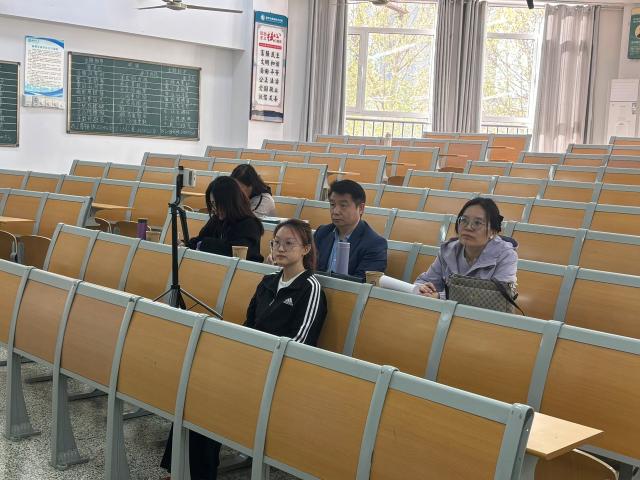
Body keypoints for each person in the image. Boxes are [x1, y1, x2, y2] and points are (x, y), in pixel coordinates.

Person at [163, 219, 326, 480]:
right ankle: (181, 470)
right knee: (197, 389)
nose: (280, 248)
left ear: (306, 249)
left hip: (280, 374)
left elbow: (299, 343)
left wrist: (254, 362)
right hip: (250, 366)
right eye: (276, 242)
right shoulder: (268, 282)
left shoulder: (310, 288)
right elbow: (249, 325)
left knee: (215, 397)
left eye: (289, 243)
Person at [414, 197, 517, 298]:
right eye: (464, 220)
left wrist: (440, 297)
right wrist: (423, 289)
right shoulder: (448, 250)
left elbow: (499, 296)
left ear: (493, 231)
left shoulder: (506, 255)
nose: (468, 227)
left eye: (477, 223)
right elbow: (425, 281)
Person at [314, 180, 387, 279]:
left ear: (361, 208)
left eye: (343, 205)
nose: (335, 211)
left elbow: (362, 282)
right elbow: (308, 267)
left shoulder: (375, 244)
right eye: (332, 204)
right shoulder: (322, 232)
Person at [186, 176, 264, 262]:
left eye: (217, 203)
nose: (214, 209)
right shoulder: (217, 219)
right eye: (212, 204)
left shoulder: (250, 224)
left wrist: (204, 243)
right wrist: (185, 244)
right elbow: (200, 239)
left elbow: (233, 251)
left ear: (230, 202)